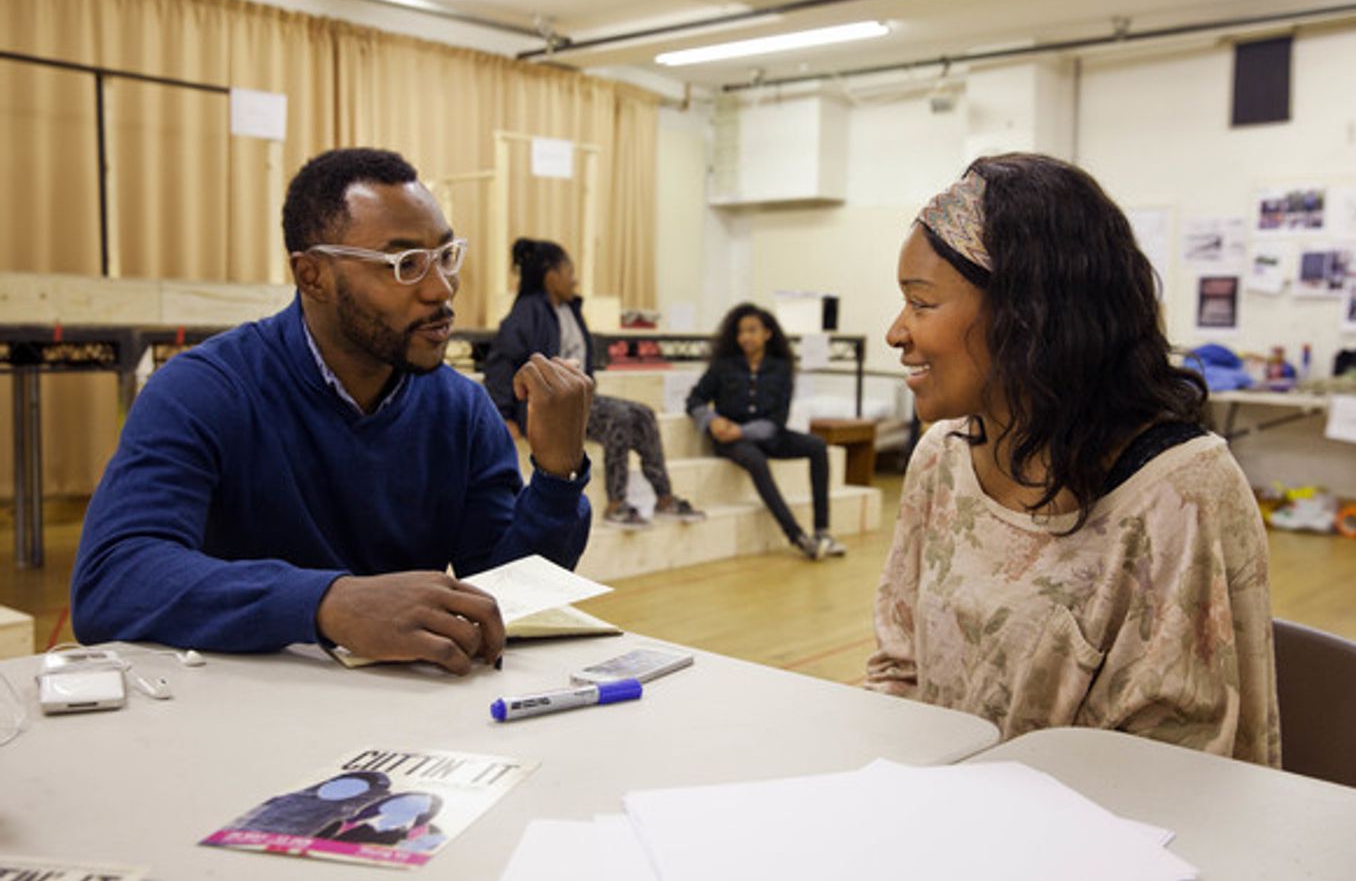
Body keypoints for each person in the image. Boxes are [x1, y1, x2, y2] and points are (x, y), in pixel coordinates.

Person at [71, 148, 594, 674]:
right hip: (235, 707)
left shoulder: (461, 409)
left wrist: (555, 476)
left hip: (403, 716)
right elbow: (113, 581)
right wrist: (328, 603)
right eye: (404, 265)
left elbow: (500, 593)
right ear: (312, 276)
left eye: (445, 256)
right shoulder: (203, 391)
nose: (440, 289)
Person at [867, 152, 1280, 765]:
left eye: (921, 304)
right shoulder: (941, 458)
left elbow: (1177, 761)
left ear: (1027, 317)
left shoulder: (1178, 491)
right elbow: (899, 667)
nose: (896, 332)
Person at [484, 237, 704, 529]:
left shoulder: (571, 310)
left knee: (644, 414)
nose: (574, 280)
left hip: (577, 398)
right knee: (620, 419)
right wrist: (504, 415)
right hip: (546, 406)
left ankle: (665, 497)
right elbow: (501, 363)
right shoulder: (527, 312)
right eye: (569, 271)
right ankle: (616, 504)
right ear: (551, 276)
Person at [686, 303, 844, 560]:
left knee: (817, 446)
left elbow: (778, 420)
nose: (745, 337)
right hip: (729, 441)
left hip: (768, 435)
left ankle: (822, 531)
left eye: (752, 330)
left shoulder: (781, 368)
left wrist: (742, 430)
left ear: (767, 334)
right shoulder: (723, 366)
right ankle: (798, 537)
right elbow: (694, 400)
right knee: (756, 461)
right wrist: (713, 420)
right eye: (741, 331)